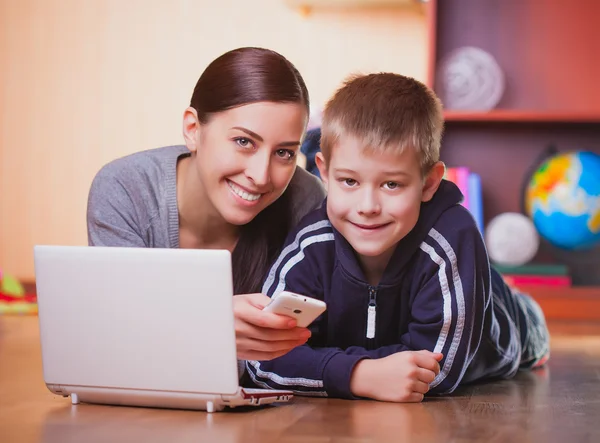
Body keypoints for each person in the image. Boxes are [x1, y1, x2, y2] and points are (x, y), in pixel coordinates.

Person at [245, 73, 550, 402]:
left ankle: (518, 304)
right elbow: (262, 359)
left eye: (391, 185)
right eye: (349, 181)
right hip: (399, 331)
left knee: (525, 328)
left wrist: (324, 364)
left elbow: (439, 368)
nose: (367, 207)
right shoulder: (310, 246)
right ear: (324, 172)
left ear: (429, 183)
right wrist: (360, 375)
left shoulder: (452, 239)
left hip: (503, 326)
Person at [86, 47, 326, 362]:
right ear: (193, 129)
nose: (260, 175)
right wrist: (211, 321)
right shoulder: (125, 189)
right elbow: (113, 338)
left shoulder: (305, 199)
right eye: (244, 142)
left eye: (284, 153)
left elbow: (304, 345)